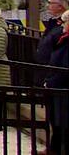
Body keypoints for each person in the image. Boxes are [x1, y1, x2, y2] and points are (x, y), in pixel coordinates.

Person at [44, 9, 69, 155]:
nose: (62, 25)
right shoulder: (63, 38)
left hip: (62, 88)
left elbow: (65, 67)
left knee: (63, 124)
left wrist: (51, 82)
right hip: (57, 87)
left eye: (64, 22)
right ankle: (55, 148)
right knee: (57, 122)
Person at [37, 0, 69, 67]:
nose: (47, 6)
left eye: (50, 2)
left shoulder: (64, 24)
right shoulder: (53, 21)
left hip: (55, 69)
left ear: (60, 6)